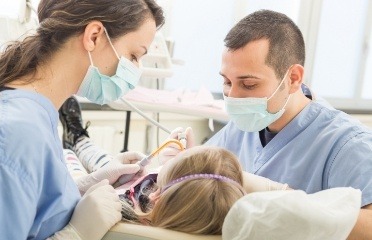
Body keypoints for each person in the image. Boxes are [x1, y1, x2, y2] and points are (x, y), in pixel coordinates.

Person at [160, 9, 372, 239]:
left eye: (249, 84)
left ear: (293, 78)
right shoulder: (240, 129)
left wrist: (283, 199)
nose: (233, 96)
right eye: (226, 81)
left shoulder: (347, 144)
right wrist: (189, 164)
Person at [0, 0, 164, 239]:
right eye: (134, 55)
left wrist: (84, 185)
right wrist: (77, 234)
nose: (136, 70)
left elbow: (30, 203)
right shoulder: (18, 133)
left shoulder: (37, 114)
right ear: (94, 36)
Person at [58, 96, 288, 235]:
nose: (153, 173)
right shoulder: (197, 210)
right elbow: (292, 197)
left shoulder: (117, 211)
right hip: (132, 182)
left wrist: (85, 183)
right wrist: (209, 171)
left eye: (157, 177)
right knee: (103, 158)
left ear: (157, 195)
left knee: (75, 161)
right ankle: (79, 139)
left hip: (102, 189)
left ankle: (75, 142)